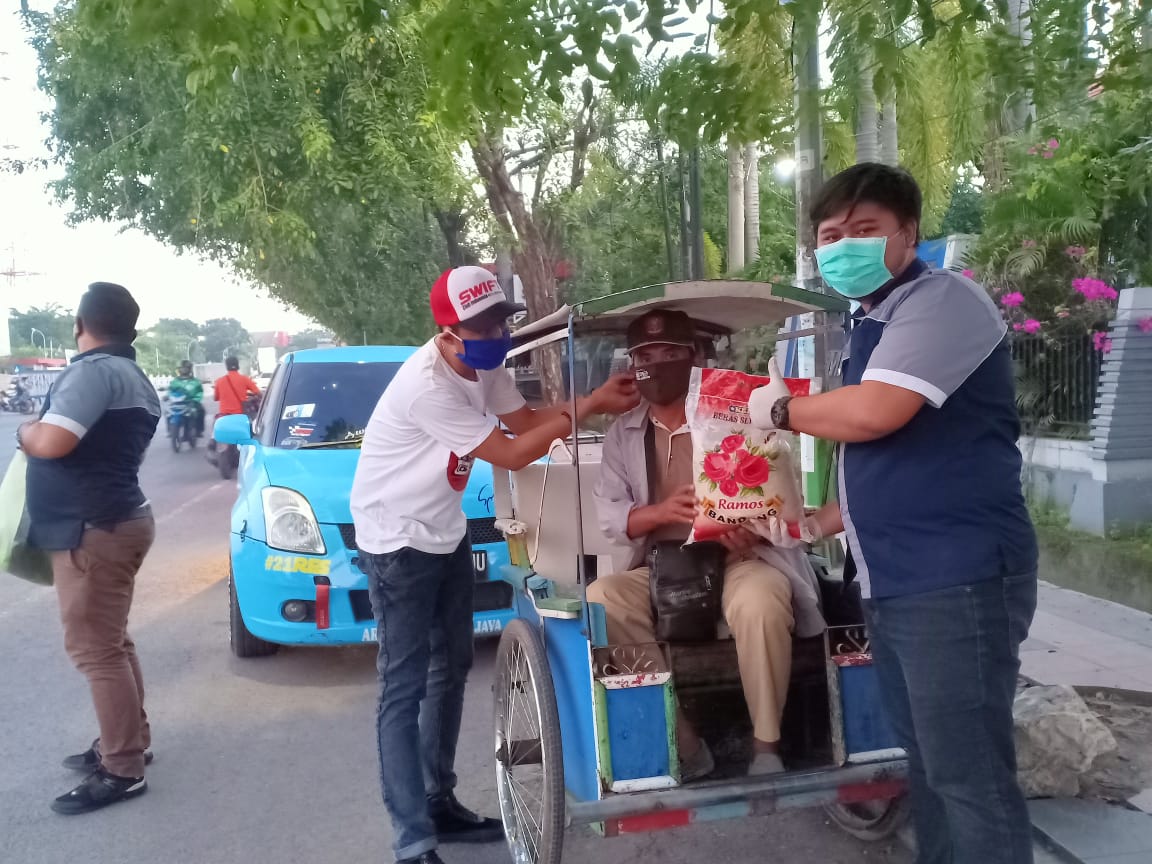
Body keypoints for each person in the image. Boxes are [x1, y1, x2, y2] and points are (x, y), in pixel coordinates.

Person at [748, 163, 1038, 864]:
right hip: (900, 582)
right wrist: (827, 519)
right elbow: (903, 455)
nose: (844, 243)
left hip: (956, 580)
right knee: (931, 771)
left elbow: (877, 414)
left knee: (969, 778)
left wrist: (781, 409)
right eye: (831, 234)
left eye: (865, 229)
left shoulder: (941, 302)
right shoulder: (872, 323)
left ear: (908, 235)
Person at [349, 265, 639, 864]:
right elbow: (509, 451)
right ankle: (413, 837)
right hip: (396, 541)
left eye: (501, 322)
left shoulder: (486, 365)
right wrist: (590, 404)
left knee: (450, 669)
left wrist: (593, 409)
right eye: (481, 327)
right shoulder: (427, 386)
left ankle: (439, 801)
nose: (496, 336)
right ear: (448, 333)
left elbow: (527, 422)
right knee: (402, 688)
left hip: (443, 530)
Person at [589, 310, 825, 781]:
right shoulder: (624, 433)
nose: (657, 365)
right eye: (645, 356)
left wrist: (749, 521)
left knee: (761, 601)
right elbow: (610, 516)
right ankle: (686, 741)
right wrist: (661, 512)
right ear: (633, 363)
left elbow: (779, 491)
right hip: (662, 566)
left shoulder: (736, 415)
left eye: (671, 354)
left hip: (741, 557)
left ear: (694, 357)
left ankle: (766, 745)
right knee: (602, 599)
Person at [17, 282, 161, 815]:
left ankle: (122, 768)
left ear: (81, 324)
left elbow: (54, 441)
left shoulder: (93, 371)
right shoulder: (132, 374)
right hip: (118, 520)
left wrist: (25, 432)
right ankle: (131, 742)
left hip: (93, 529)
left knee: (96, 649)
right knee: (112, 643)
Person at [210, 357, 261, 451]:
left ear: (227, 366)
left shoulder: (220, 381)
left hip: (224, 416)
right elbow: (258, 393)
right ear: (238, 365)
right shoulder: (244, 379)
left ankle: (212, 442)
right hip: (240, 416)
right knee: (253, 430)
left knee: (215, 423)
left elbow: (215, 398)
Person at [168, 359, 205, 439]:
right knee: (167, 413)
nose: (183, 370)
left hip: (191, 403)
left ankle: (199, 430)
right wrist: (167, 396)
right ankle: (170, 431)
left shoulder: (195, 382)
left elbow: (200, 392)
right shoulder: (175, 381)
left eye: (185, 368)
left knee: (201, 411)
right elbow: (170, 390)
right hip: (177, 403)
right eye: (181, 368)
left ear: (189, 369)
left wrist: (196, 400)